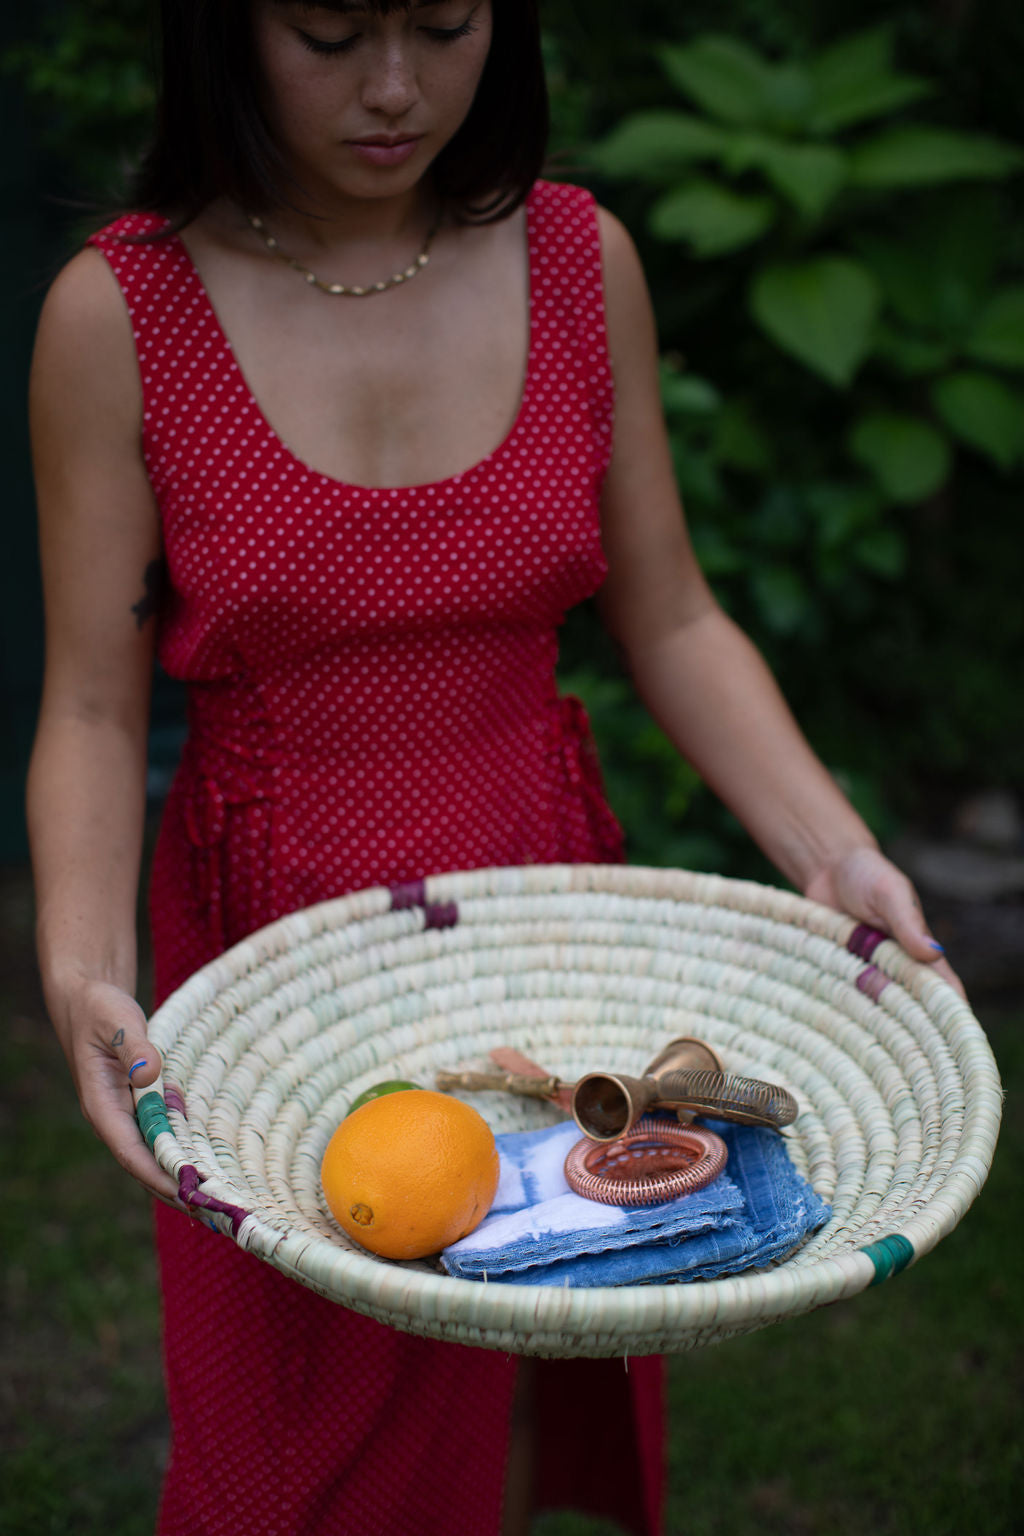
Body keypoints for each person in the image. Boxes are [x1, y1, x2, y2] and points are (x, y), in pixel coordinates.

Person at [26, 2, 962, 1533]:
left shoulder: (578, 260)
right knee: (298, 1429)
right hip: (276, 943)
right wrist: (80, 971)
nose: (396, 88)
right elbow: (87, 708)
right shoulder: (120, 313)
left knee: (536, 1332)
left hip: (547, 913)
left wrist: (830, 847)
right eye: (329, 32)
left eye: (445, 23)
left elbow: (670, 613)